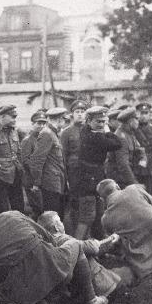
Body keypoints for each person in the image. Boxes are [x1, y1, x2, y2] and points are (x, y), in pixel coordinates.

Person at [0, 200, 108, 304]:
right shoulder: (13, 214)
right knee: (75, 244)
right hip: (52, 266)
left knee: (14, 272)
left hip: (22, 286)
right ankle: (92, 300)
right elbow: (47, 237)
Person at [37, 210, 126, 296]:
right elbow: (92, 248)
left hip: (71, 285)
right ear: (56, 227)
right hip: (97, 284)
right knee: (125, 279)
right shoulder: (64, 240)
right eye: (60, 221)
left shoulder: (48, 244)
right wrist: (111, 239)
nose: (62, 223)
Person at [75, 106, 121, 240]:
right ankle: (76, 248)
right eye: (98, 121)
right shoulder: (95, 137)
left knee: (98, 215)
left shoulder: (85, 131)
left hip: (93, 177)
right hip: (89, 181)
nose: (101, 124)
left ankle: (99, 247)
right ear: (88, 121)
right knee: (87, 216)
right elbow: (117, 144)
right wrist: (108, 131)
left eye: (103, 121)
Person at [27, 106, 68, 216]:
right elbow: (36, 160)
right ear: (59, 119)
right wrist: (37, 182)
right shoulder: (47, 134)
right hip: (50, 182)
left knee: (57, 214)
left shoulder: (53, 133)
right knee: (51, 216)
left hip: (57, 181)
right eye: (64, 120)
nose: (65, 123)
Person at [60, 99, 88, 235]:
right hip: (74, 173)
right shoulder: (66, 133)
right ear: (72, 114)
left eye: (83, 112)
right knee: (75, 202)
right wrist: (66, 178)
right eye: (77, 112)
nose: (80, 114)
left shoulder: (91, 130)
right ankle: (75, 233)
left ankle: (88, 234)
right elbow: (63, 157)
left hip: (89, 173)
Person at [105, 107, 146, 188]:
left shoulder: (130, 133)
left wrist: (143, 158)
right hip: (120, 180)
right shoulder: (120, 137)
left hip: (126, 177)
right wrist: (135, 183)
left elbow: (140, 149)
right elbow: (123, 165)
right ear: (130, 122)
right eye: (136, 119)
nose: (138, 122)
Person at [20, 110, 48, 216]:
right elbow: (26, 161)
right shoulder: (28, 140)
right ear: (32, 124)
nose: (41, 126)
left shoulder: (43, 138)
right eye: (38, 123)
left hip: (42, 179)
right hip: (32, 180)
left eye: (43, 123)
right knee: (38, 209)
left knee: (44, 208)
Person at [133, 102, 152, 191]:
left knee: (149, 189)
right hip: (136, 164)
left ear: (149, 115)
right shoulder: (134, 128)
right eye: (141, 113)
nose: (143, 116)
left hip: (150, 166)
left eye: (146, 113)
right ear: (137, 114)